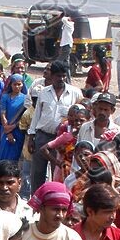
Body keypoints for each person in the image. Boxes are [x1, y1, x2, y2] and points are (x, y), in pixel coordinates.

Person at [28, 59, 83, 190]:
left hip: (63, 141)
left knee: (58, 173)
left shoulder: (75, 93)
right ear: (52, 76)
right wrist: (31, 137)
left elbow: (83, 114)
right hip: (42, 137)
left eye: (64, 76)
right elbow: (37, 116)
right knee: (37, 173)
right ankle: (36, 204)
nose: (61, 79)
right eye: (58, 76)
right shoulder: (43, 92)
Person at [42, 103, 87, 182]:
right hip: (65, 175)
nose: (78, 123)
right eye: (76, 120)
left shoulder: (89, 137)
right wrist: (58, 163)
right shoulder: (67, 136)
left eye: (82, 120)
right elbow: (44, 149)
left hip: (84, 176)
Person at [0, 74, 28, 161]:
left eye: (19, 84)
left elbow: (25, 116)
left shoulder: (26, 99)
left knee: (15, 155)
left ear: (23, 84)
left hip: (18, 130)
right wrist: (8, 131)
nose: (17, 87)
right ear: (10, 85)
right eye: (14, 84)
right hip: (5, 130)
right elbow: (3, 114)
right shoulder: (5, 97)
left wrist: (14, 126)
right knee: (4, 154)